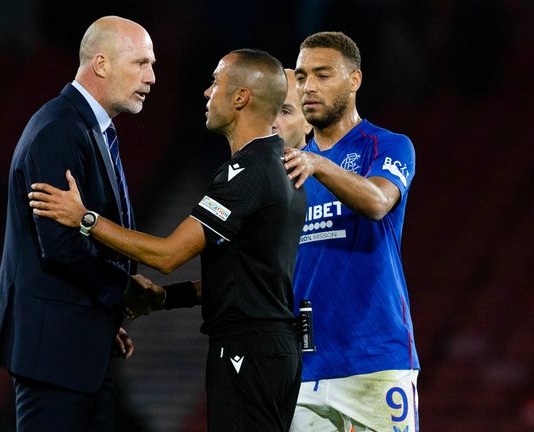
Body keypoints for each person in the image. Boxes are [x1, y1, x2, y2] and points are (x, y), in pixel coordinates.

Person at [28, 48, 307, 431]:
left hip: (249, 350)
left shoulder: (247, 173)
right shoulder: (278, 166)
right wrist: (166, 298)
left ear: (241, 97)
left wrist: (85, 219)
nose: (207, 93)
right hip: (269, 350)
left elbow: (167, 254)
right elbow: (248, 278)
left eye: (216, 83)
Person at [0, 16, 157, 432]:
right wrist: (122, 292)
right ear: (101, 63)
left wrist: (100, 317)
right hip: (53, 352)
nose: (151, 77)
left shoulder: (84, 128)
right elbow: (60, 246)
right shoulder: (59, 129)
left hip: (78, 344)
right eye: (141, 63)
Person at [283, 31, 420, 432]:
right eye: (303, 76)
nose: (309, 87)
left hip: (376, 361)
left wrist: (318, 164)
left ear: (354, 80)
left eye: (323, 75)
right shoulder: (289, 168)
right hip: (305, 368)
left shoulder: (388, 146)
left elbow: (377, 202)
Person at [272, 68, 312, 149]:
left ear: (309, 122)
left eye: (284, 112)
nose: (272, 124)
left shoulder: (329, 160)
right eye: (267, 111)